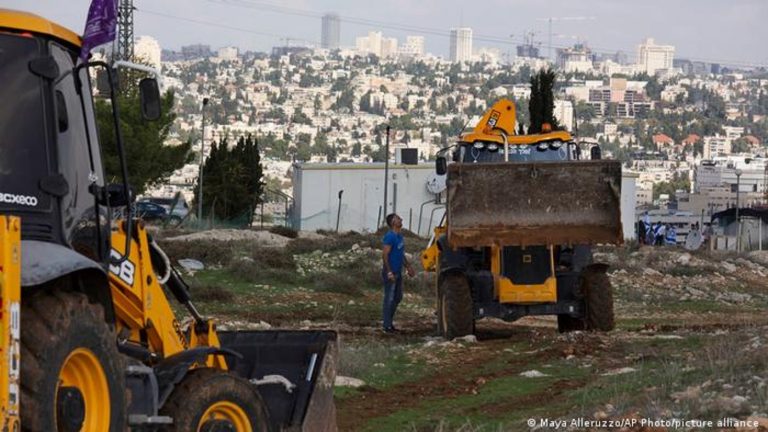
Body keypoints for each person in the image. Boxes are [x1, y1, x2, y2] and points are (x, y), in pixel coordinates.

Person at [381, 213, 415, 333]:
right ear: (393, 223)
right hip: (391, 272)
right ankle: (387, 325)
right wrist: (389, 272)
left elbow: (401, 254)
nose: (401, 219)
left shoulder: (399, 237)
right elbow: (385, 255)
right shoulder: (390, 237)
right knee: (389, 298)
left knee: (397, 297)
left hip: (398, 272)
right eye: (398, 218)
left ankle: (389, 321)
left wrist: (408, 267)